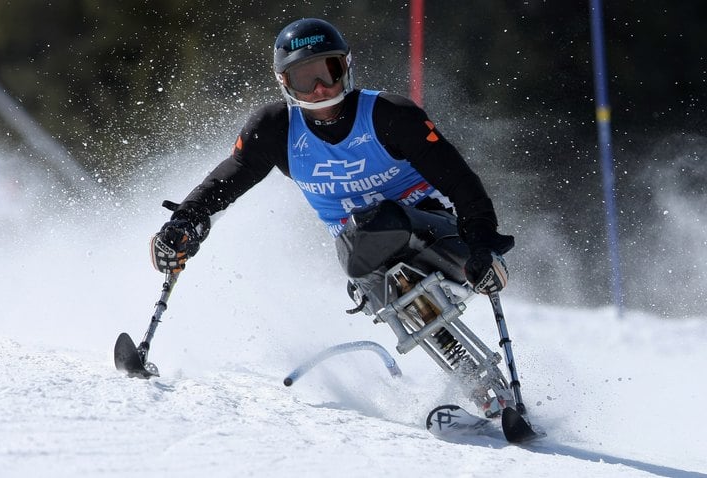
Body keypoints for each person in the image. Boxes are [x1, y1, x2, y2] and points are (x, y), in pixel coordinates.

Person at [150, 18, 513, 404]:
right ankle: (478, 386)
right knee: (366, 244)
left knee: (384, 222)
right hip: (359, 251)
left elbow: (459, 181)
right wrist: (184, 224)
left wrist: (482, 241)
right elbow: (227, 182)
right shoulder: (275, 128)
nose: (320, 88)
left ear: (347, 68)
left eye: (329, 72)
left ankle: (485, 360)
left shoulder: (389, 114)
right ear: (285, 83)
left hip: (430, 228)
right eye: (305, 79)